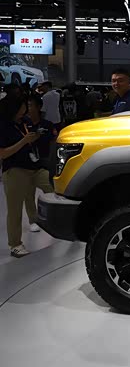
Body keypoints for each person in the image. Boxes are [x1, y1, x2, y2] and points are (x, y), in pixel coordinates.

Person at [0, 95, 54, 257]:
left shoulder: (25, 121)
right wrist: (23, 141)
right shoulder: (3, 126)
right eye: (23, 106)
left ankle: (56, 223)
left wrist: (34, 137)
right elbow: (3, 153)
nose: (26, 109)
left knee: (54, 188)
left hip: (35, 167)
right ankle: (15, 245)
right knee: (15, 209)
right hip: (15, 170)